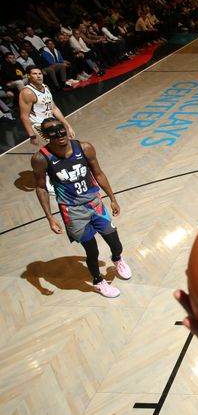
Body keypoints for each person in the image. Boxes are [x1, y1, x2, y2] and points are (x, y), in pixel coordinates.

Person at [31, 117, 132, 297]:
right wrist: (50, 218)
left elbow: (98, 173)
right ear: (46, 136)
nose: (58, 134)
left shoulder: (84, 147)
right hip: (73, 211)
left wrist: (112, 198)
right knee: (92, 250)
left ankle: (117, 259)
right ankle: (98, 282)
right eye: (52, 131)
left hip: (95, 204)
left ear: (65, 128)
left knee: (116, 244)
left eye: (60, 129)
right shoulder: (41, 158)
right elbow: (40, 188)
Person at [19, 65, 75, 146]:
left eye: (40, 73)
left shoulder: (46, 87)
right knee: (54, 150)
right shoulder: (27, 92)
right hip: (39, 125)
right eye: (34, 74)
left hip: (51, 122)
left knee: (65, 145)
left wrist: (68, 126)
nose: (38, 76)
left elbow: (54, 108)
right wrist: (32, 136)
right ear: (28, 76)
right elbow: (24, 116)